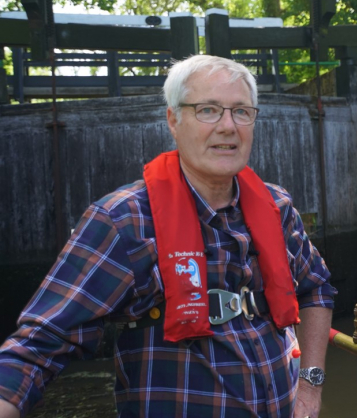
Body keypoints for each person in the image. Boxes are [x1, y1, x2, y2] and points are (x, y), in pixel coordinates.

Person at [0, 55, 336, 418]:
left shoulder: (277, 207)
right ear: (173, 120)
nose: (228, 126)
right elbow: (36, 347)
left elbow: (316, 288)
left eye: (241, 111)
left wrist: (310, 386)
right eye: (208, 110)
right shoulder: (123, 221)